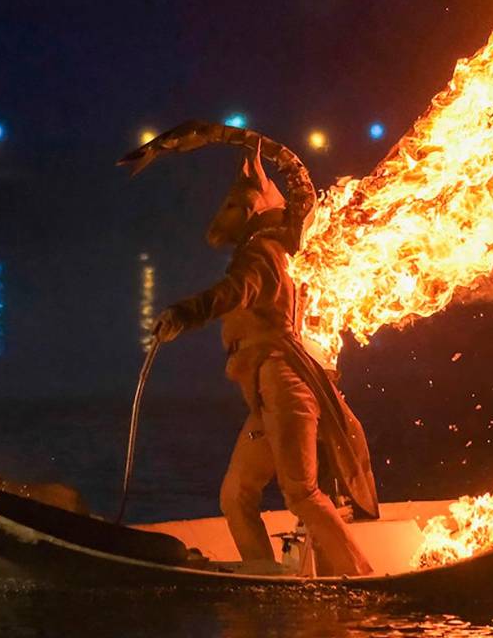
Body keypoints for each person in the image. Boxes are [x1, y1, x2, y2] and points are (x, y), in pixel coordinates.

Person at [151, 144, 378, 577]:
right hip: (265, 392)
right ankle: (262, 579)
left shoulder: (261, 255)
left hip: (284, 382)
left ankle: (362, 581)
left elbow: (233, 293)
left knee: (301, 493)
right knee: (236, 494)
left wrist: (185, 313)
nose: (223, 218)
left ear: (254, 207)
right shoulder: (270, 251)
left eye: (235, 206)